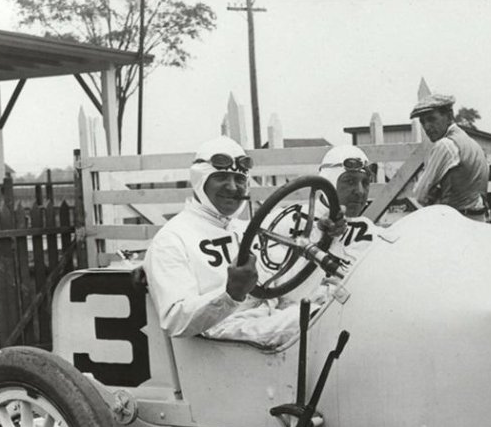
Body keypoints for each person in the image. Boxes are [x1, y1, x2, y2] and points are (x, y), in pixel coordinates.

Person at [144, 136, 350, 347]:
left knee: (343, 303)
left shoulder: (242, 229)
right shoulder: (172, 239)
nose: (233, 188)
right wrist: (231, 293)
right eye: (222, 177)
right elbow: (174, 320)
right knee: (330, 321)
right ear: (201, 180)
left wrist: (326, 236)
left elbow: (285, 287)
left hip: (267, 314)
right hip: (222, 331)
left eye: (240, 180)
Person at [404, 93, 489, 221]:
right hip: (479, 219)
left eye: (432, 119)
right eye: (423, 122)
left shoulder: (446, 145)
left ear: (449, 116)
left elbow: (420, 194)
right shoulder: (470, 143)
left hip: (457, 220)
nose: (427, 127)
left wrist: (435, 193)